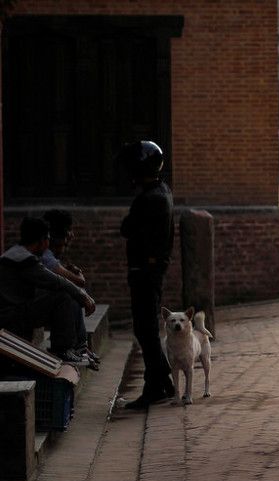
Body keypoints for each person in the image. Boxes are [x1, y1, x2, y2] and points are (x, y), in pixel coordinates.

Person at [118, 140, 176, 409]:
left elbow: (127, 228)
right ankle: (162, 381)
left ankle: (156, 386)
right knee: (148, 329)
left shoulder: (147, 199)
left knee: (146, 329)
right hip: (153, 270)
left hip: (145, 272)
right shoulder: (163, 191)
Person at [0, 217, 98, 368]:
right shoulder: (23, 259)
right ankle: (63, 350)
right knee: (63, 295)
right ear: (42, 240)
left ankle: (78, 346)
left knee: (63, 292)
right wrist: (82, 296)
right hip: (11, 318)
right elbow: (55, 281)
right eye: (48, 239)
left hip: (15, 312)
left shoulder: (16, 254)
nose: (48, 245)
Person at [40, 209, 86, 288]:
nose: (72, 235)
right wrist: (78, 272)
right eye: (69, 230)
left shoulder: (44, 254)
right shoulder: (45, 257)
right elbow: (79, 282)